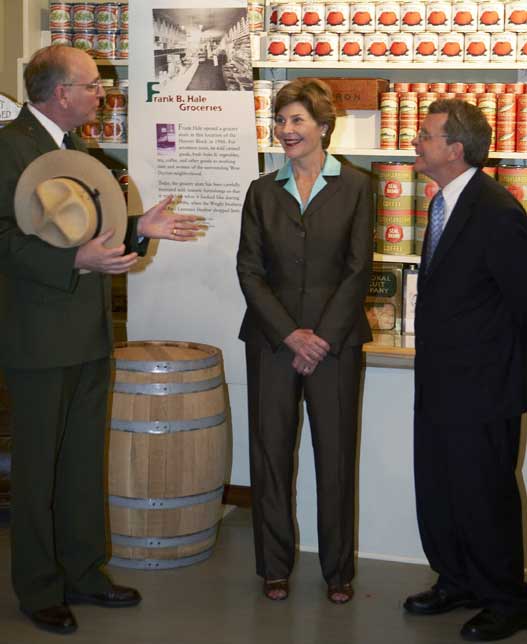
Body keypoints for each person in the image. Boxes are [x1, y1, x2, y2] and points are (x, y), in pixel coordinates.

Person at [0, 45, 199, 635]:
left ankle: (83, 573)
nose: (101, 94)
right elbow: (6, 237)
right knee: (38, 470)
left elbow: (85, 233)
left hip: (87, 333)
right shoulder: (10, 149)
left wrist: (141, 228)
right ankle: (39, 589)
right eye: (92, 85)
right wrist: (74, 262)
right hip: (36, 338)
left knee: (83, 462)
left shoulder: (73, 151)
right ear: (60, 93)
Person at [236, 78, 373, 604]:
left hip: (335, 345)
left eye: (297, 120)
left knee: (335, 457)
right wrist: (290, 333)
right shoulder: (261, 190)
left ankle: (338, 570)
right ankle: (274, 566)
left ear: (323, 127)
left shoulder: (356, 186)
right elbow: (249, 271)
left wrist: (322, 337)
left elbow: (359, 269)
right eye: (280, 120)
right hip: (272, 343)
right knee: (271, 456)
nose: (286, 130)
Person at [404, 98, 527, 642]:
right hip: (438, 383)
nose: (416, 142)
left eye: (426, 135)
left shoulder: (498, 210)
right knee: (440, 489)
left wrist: (511, 389)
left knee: (485, 495)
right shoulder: (443, 204)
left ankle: (505, 598)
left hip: (483, 390)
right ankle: (457, 579)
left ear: (455, 149)